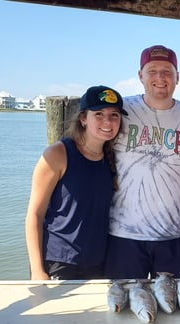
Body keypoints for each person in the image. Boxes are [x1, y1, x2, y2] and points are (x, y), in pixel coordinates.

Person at [105, 45, 180, 279]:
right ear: (140, 75)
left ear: (178, 78)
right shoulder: (122, 110)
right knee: (126, 306)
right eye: (152, 71)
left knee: (178, 309)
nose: (160, 78)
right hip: (124, 234)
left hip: (176, 234)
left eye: (167, 71)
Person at [25, 85, 125, 280]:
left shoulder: (111, 157)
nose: (108, 121)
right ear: (83, 118)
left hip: (98, 263)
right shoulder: (58, 154)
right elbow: (34, 216)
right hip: (59, 261)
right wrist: (38, 272)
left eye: (114, 115)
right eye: (99, 114)